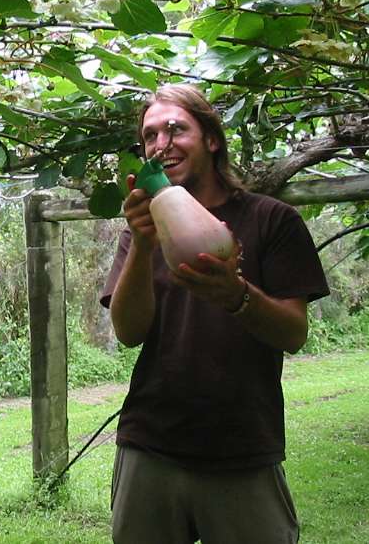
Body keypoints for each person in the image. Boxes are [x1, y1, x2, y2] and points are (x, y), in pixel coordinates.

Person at [100, 85, 329, 544]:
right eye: (150, 136)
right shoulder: (143, 230)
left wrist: (237, 296)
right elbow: (128, 332)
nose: (161, 144)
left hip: (242, 446)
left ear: (211, 139)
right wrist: (143, 244)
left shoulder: (272, 220)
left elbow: (294, 333)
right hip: (150, 443)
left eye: (176, 129)